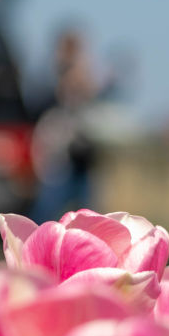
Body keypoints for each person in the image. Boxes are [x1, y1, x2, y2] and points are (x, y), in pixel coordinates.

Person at [30, 26, 101, 222]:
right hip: (57, 156)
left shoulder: (86, 74)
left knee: (87, 213)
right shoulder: (49, 74)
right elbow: (36, 105)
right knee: (48, 208)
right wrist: (63, 85)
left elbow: (93, 109)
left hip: (82, 156)